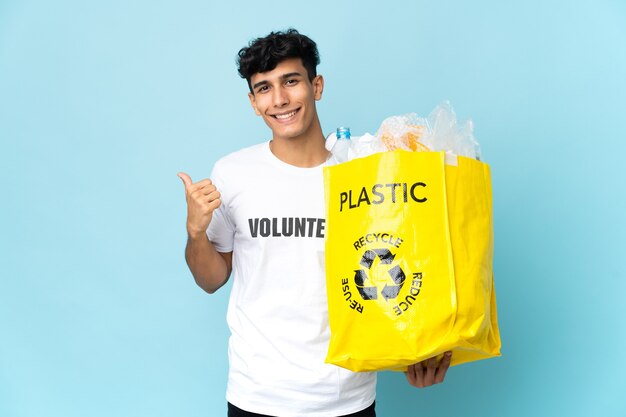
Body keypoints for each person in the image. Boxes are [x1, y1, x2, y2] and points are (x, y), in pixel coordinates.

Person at [178, 29, 452, 417]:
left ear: (316, 85)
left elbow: (404, 261)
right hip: (257, 395)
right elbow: (211, 279)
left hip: (346, 398)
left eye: (291, 81)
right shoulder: (233, 173)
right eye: (264, 88)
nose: (280, 100)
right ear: (253, 102)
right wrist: (195, 233)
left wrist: (420, 350)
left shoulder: (364, 169)